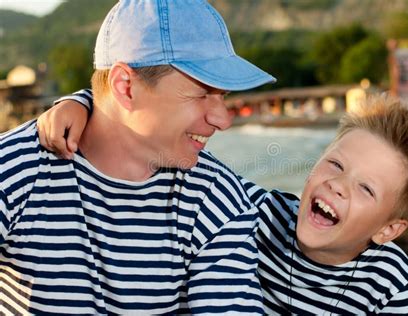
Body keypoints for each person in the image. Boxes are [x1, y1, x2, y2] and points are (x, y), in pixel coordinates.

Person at [40, 92, 408, 314]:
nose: (337, 186)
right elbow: (162, 141)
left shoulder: (389, 281)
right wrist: (84, 103)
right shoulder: (250, 214)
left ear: (389, 230)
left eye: (366, 189)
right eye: (335, 164)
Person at [0, 0, 277, 314]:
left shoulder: (216, 196)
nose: (223, 120)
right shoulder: (17, 169)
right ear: (125, 87)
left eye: (223, 96)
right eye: (201, 95)